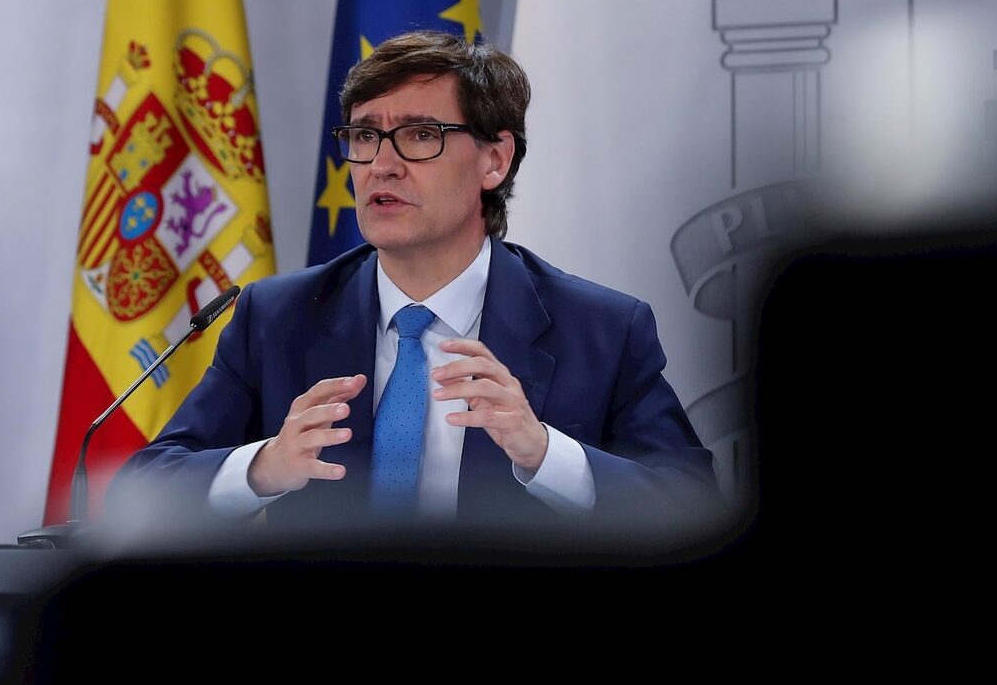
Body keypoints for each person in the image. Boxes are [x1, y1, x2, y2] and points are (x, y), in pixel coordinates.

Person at [109, 30, 721, 555]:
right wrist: (262, 467)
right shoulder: (278, 317)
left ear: (494, 160)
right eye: (364, 136)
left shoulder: (600, 329)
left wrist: (545, 455)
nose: (382, 164)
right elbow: (145, 492)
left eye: (421, 134)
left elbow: (692, 512)